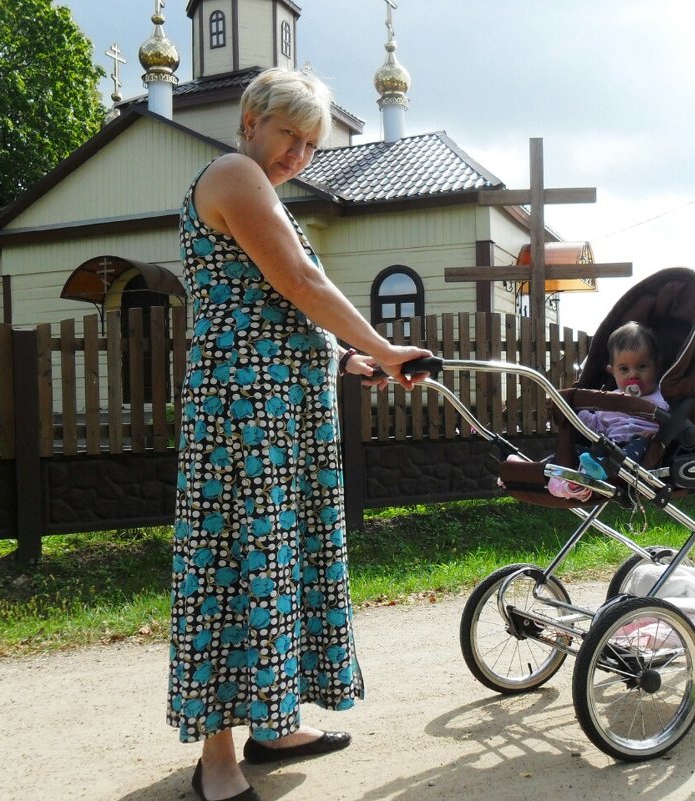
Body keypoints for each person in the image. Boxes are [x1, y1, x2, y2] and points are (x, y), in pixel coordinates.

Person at [168, 67, 432, 801]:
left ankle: (274, 724)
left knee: (278, 562)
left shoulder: (260, 190)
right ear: (252, 117)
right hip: (241, 420)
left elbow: (277, 309)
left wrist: (343, 357)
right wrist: (385, 347)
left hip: (281, 414)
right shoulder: (231, 174)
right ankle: (217, 759)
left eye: (312, 145)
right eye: (291, 134)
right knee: (232, 562)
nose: (298, 155)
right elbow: (301, 285)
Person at [548, 321, 668, 500]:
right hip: (608, 448)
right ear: (612, 372)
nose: (633, 374)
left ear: (656, 366)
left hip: (640, 453)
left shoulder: (662, 397)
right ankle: (549, 473)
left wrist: (657, 433)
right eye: (624, 369)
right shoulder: (609, 399)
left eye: (642, 366)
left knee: (639, 444)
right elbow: (597, 426)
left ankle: (597, 472)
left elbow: (671, 423)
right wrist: (577, 414)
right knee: (572, 451)